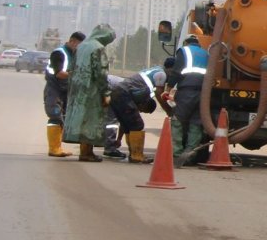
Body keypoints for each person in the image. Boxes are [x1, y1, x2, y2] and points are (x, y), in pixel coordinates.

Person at [62, 25, 116, 162]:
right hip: (91, 90)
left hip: (76, 88)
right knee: (90, 120)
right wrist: (106, 93)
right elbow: (101, 73)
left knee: (80, 119)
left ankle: (85, 151)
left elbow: (70, 68)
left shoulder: (81, 46)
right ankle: (87, 153)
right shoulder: (98, 48)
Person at [107, 60, 174, 164]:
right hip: (123, 93)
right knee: (138, 124)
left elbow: (124, 125)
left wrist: (119, 139)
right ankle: (137, 155)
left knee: (128, 124)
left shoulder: (152, 73)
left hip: (116, 93)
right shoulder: (161, 74)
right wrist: (169, 110)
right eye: (144, 110)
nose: (141, 111)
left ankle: (133, 154)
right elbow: (159, 93)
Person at [167, 35, 209, 163]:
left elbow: (176, 71)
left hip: (187, 91)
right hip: (203, 93)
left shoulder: (183, 51)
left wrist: (168, 88)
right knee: (196, 123)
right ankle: (189, 154)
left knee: (177, 121)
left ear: (186, 42)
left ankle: (176, 154)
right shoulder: (206, 53)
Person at [43, 31, 84, 158]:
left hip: (65, 90)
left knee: (64, 118)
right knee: (55, 116)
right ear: (72, 41)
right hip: (54, 89)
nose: (80, 48)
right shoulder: (59, 53)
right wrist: (78, 75)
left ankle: (58, 147)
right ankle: (54, 149)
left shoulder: (74, 54)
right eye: (79, 45)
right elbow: (59, 73)